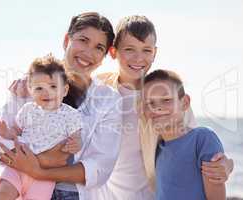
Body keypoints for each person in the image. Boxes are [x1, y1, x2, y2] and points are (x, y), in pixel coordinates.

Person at [0, 12, 122, 200]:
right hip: (26, 188)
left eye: (98, 47)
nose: (88, 52)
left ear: (104, 56)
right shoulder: (30, 87)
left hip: (75, 195)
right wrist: (38, 161)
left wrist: (39, 171)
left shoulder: (108, 100)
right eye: (83, 40)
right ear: (66, 40)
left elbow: (99, 169)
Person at [96, 15, 233, 199]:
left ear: (154, 53)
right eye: (129, 49)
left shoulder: (168, 98)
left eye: (146, 50)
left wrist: (227, 164)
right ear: (113, 52)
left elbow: (193, 147)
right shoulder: (99, 90)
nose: (139, 58)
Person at [0, 56, 82, 200]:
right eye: (39, 88)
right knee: (5, 192)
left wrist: (75, 144)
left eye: (53, 86)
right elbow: (16, 132)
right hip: (18, 166)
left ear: (65, 90)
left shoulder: (70, 114)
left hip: (44, 176)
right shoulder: (28, 109)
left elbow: (77, 138)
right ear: (31, 90)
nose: (46, 92)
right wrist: (4, 131)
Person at [142, 69, 226, 200]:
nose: (157, 108)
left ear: (185, 103)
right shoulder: (157, 149)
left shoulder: (202, 138)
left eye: (166, 99)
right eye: (150, 103)